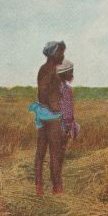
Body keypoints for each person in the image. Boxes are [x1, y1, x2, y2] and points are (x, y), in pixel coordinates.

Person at [34, 41, 66, 196]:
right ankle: (57, 189)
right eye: (60, 52)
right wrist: (53, 106)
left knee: (40, 152)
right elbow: (43, 91)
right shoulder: (52, 70)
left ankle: (39, 188)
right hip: (51, 117)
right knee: (55, 153)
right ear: (53, 55)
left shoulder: (43, 68)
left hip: (42, 114)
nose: (63, 55)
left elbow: (42, 92)